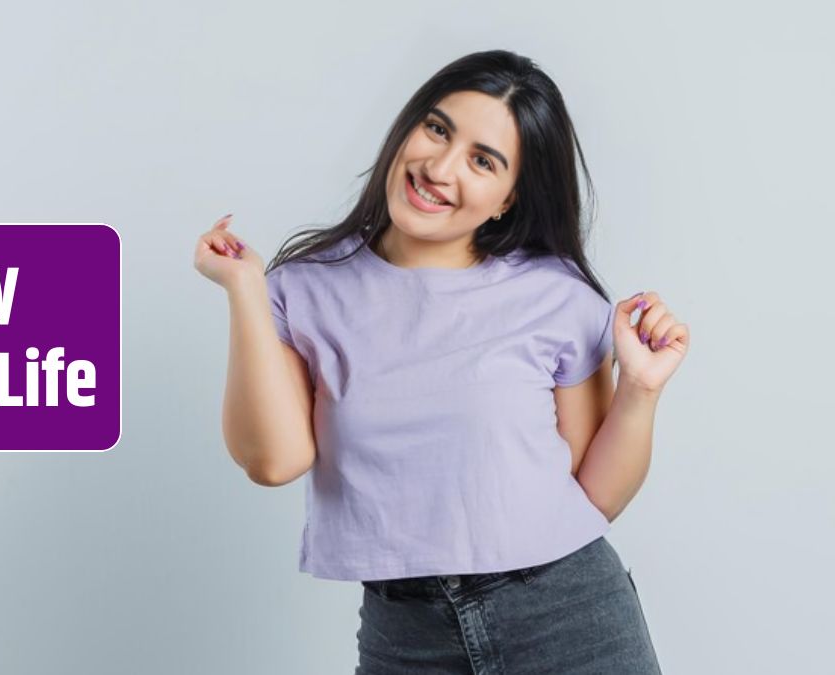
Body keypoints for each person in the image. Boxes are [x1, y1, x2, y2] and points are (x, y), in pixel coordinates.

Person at [194, 49, 688, 674]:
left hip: (570, 617)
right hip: (405, 637)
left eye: (484, 161)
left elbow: (595, 498)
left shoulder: (558, 296)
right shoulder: (304, 290)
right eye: (437, 128)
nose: (439, 168)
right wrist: (245, 290)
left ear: (509, 197)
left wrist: (639, 392)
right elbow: (274, 460)